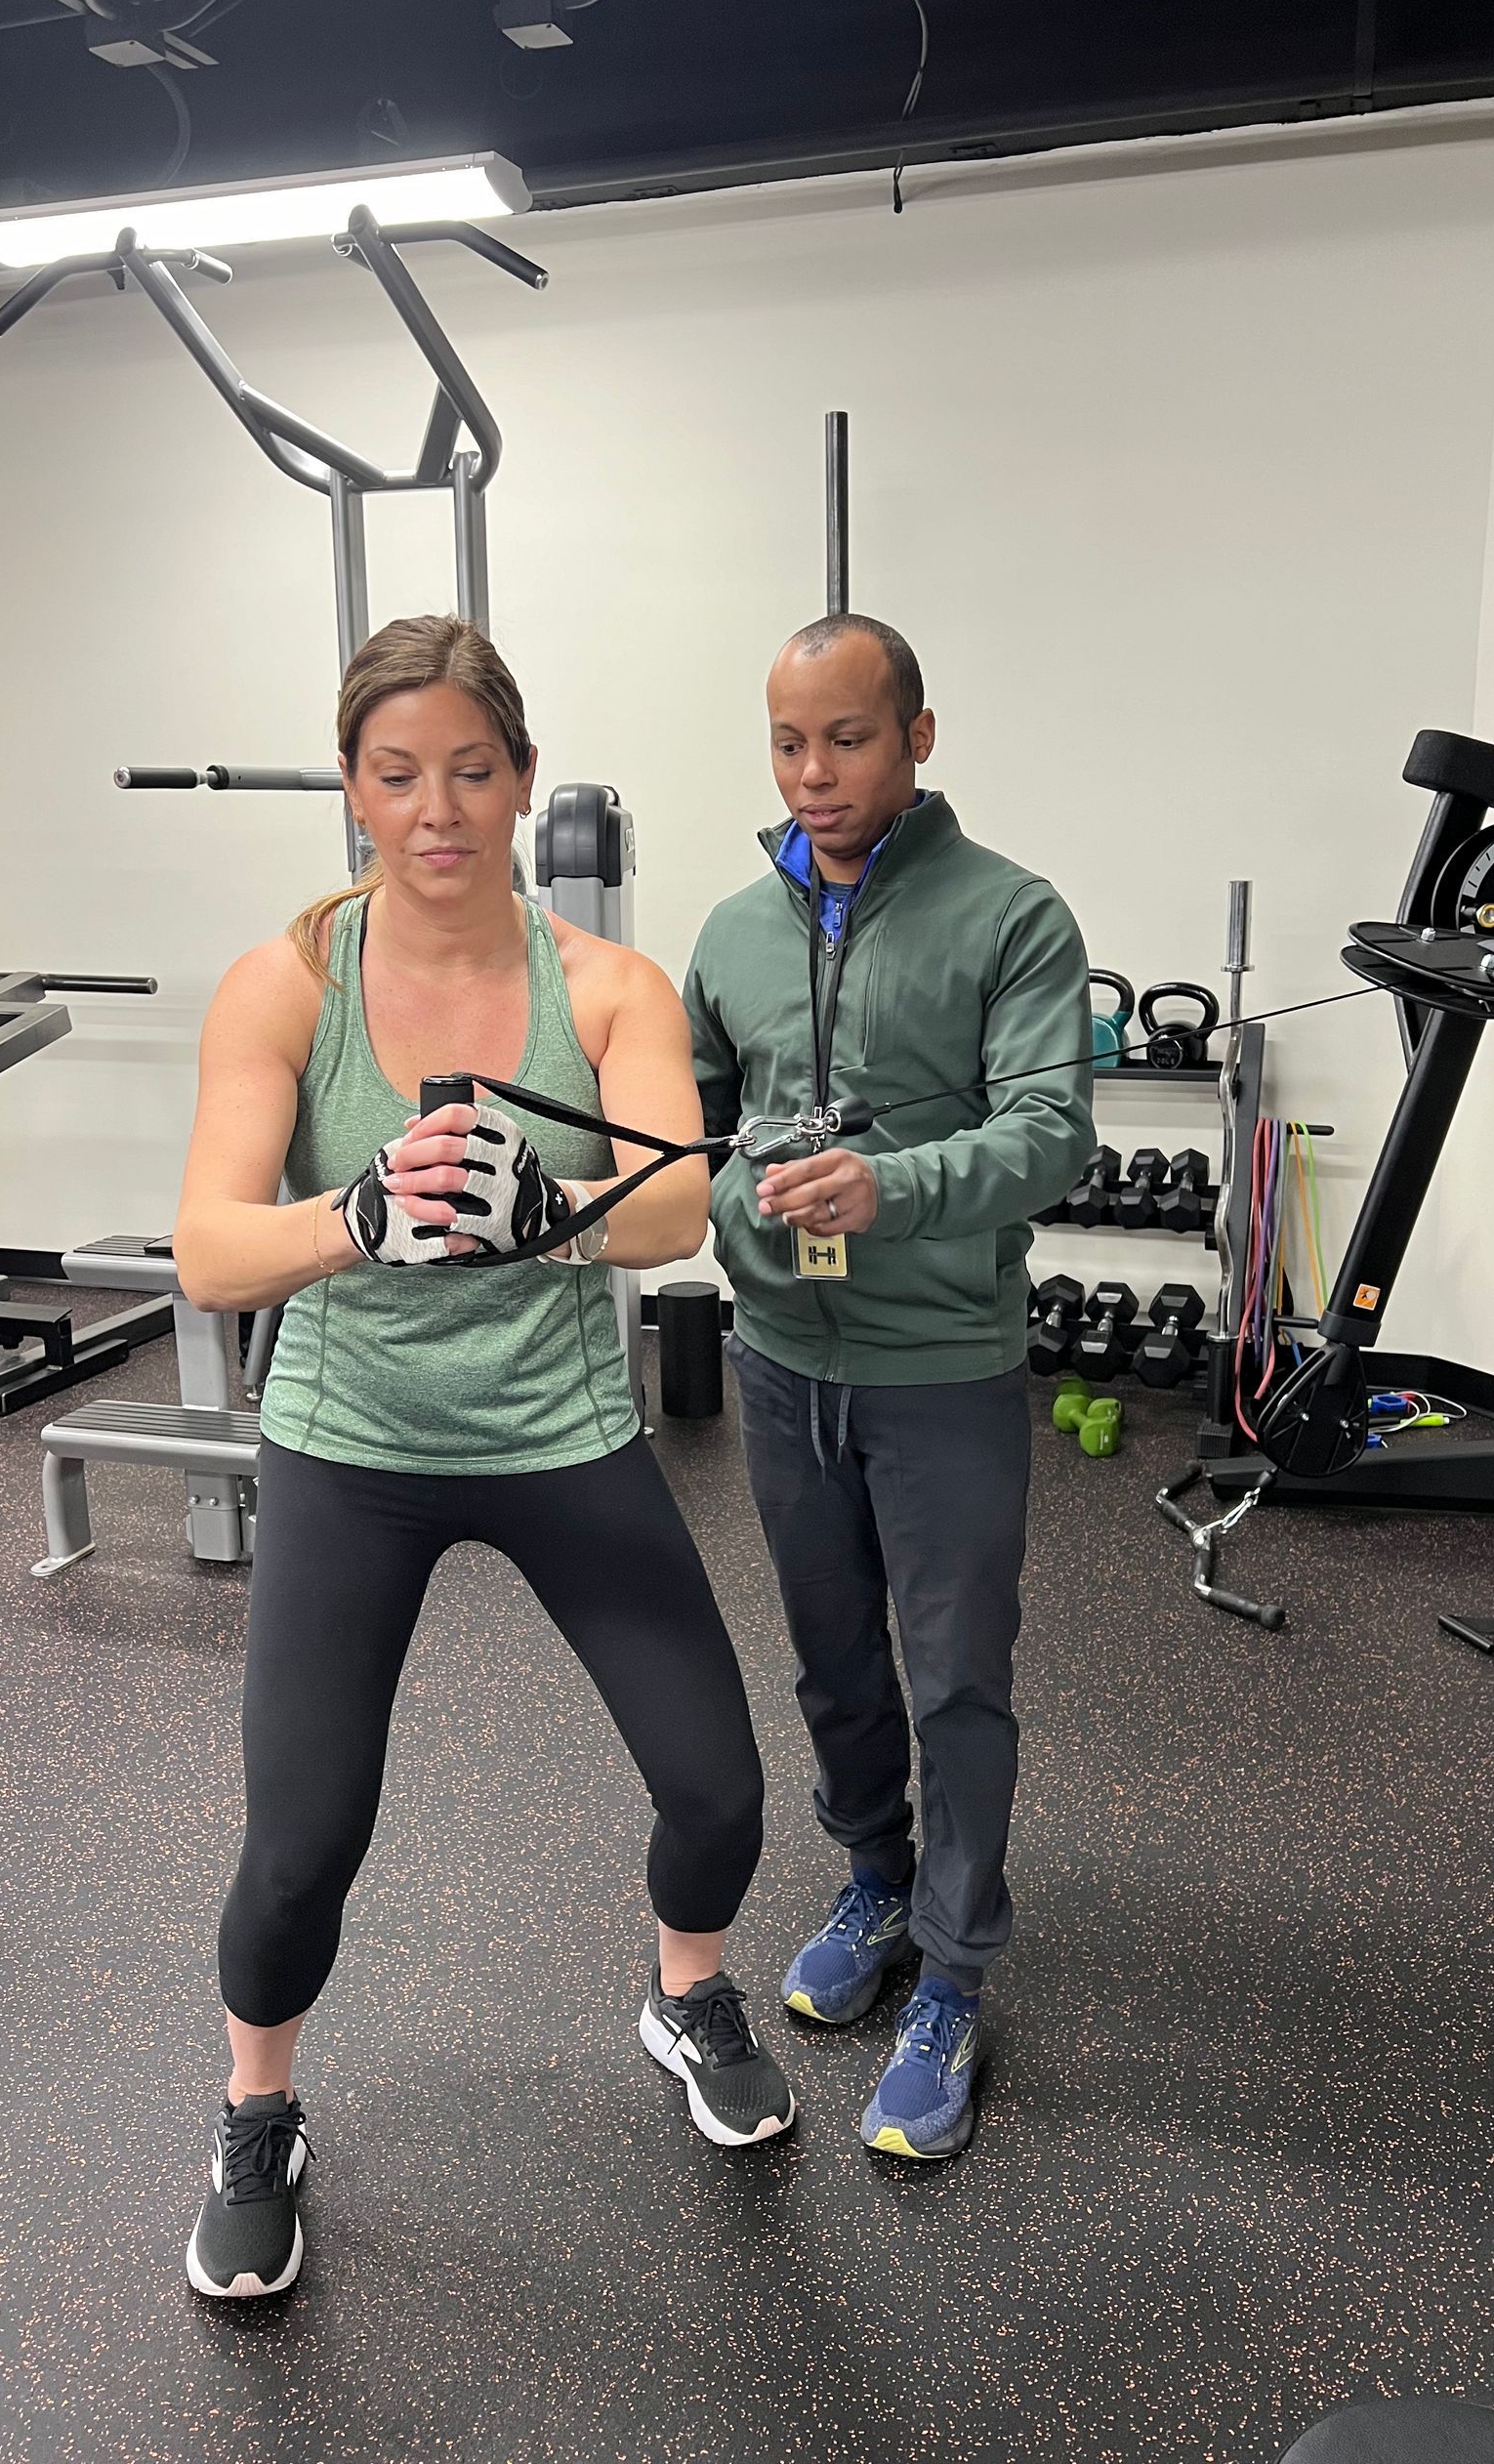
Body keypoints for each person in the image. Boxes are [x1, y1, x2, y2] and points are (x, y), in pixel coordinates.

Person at [174, 614, 795, 2302]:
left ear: (521, 782)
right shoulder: (287, 982)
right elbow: (211, 1254)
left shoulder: (604, 983)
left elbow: (679, 1201)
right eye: (396, 774)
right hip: (348, 1447)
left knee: (720, 1788)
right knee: (303, 1840)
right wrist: (354, 1214)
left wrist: (564, 1208)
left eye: (469, 770)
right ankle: (257, 2112)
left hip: (554, 1437)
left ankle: (685, 1995)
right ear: (357, 791)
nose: (435, 806)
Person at [684, 613, 1094, 2162]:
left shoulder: (1013, 917)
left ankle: (956, 1970)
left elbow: (1053, 1132)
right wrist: (746, 1217)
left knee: (955, 1679)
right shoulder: (728, 933)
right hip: (783, 1370)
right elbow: (694, 1141)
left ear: (919, 737)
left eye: (847, 738)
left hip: (944, 1373)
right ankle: (872, 1879)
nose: (815, 774)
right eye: (789, 743)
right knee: (833, 1664)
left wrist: (893, 1187)